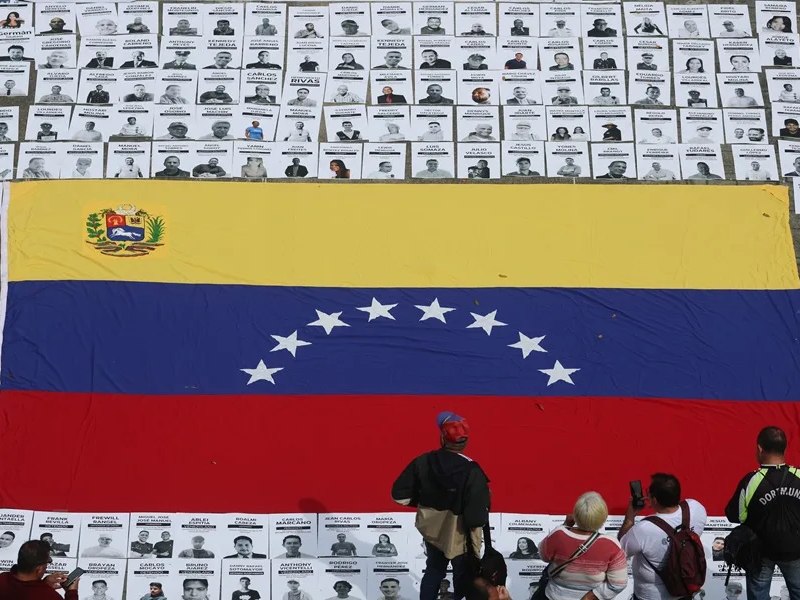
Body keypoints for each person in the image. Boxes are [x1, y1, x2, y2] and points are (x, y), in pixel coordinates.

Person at [392, 411, 490, 600]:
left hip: (432, 533)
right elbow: (476, 518)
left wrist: (425, 505)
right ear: (466, 441)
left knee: (434, 571)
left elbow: (398, 496)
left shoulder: (422, 461)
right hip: (461, 538)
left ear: (442, 438)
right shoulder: (472, 470)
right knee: (463, 576)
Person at [725, 426, 800, 600]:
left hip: (760, 553)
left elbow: (736, 515)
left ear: (759, 449)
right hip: (795, 551)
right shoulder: (798, 476)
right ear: (784, 449)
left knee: (758, 596)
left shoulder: (751, 480)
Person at [618, 474, 707, 599]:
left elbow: (620, 550)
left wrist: (630, 517)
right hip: (685, 592)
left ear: (654, 500)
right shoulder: (696, 508)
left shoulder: (644, 528)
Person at [539, 492, 628, 600]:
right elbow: (618, 584)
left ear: (575, 515)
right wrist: (592, 596)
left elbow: (543, 555)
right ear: (604, 518)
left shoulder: (558, 534)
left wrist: (565, 525)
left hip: (554, 596)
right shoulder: (612, 544)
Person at [0, 540, 78, 599]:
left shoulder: (3, 578)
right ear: (39, 569)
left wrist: (43, 584)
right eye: (48, 561)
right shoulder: (50, 596)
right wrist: (71, 592)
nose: (47, 565)